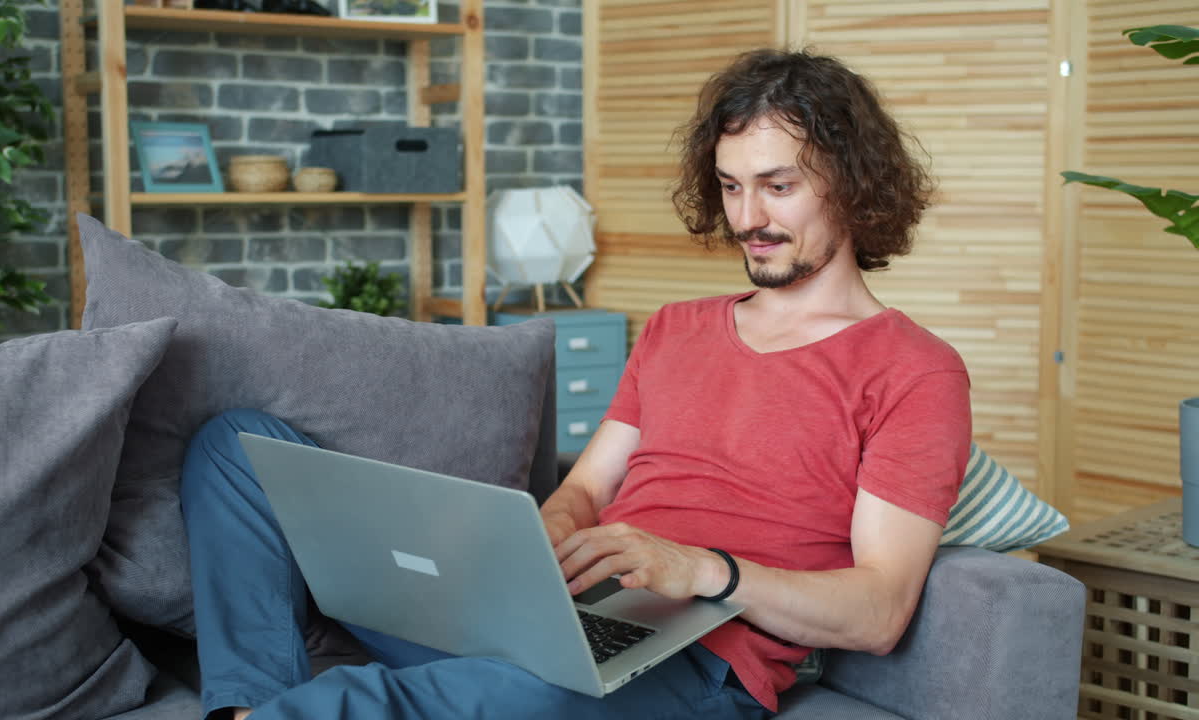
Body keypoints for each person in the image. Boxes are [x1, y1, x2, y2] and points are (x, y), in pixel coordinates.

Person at [180, 47, 971, 720]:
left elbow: (879, 610)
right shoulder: (675, 328)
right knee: (238, 450)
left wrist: (703, 569)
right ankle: (254, 699)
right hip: (555, 613)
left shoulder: (914, 370)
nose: (748, 216)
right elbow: (586, 489)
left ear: (853, 183)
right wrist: (536, 547)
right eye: (731, 186)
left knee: (464, 695)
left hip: (694, 660)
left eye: (778, 185)